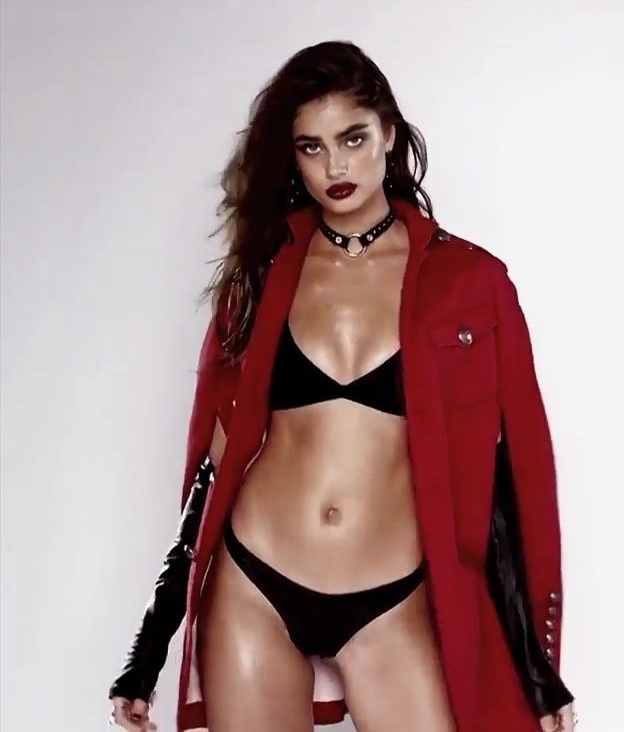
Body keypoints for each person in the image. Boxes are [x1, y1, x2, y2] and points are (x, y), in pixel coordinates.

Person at [107, 40, 577, 732]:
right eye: (312, 147)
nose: (335, 167)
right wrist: (146, 651)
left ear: (388, 133)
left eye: (352, 139)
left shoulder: (471, 284)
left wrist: (536, 671)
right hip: (255, 584)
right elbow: (215, 467)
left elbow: (497, 484)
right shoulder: (264, 273)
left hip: (392, 600)